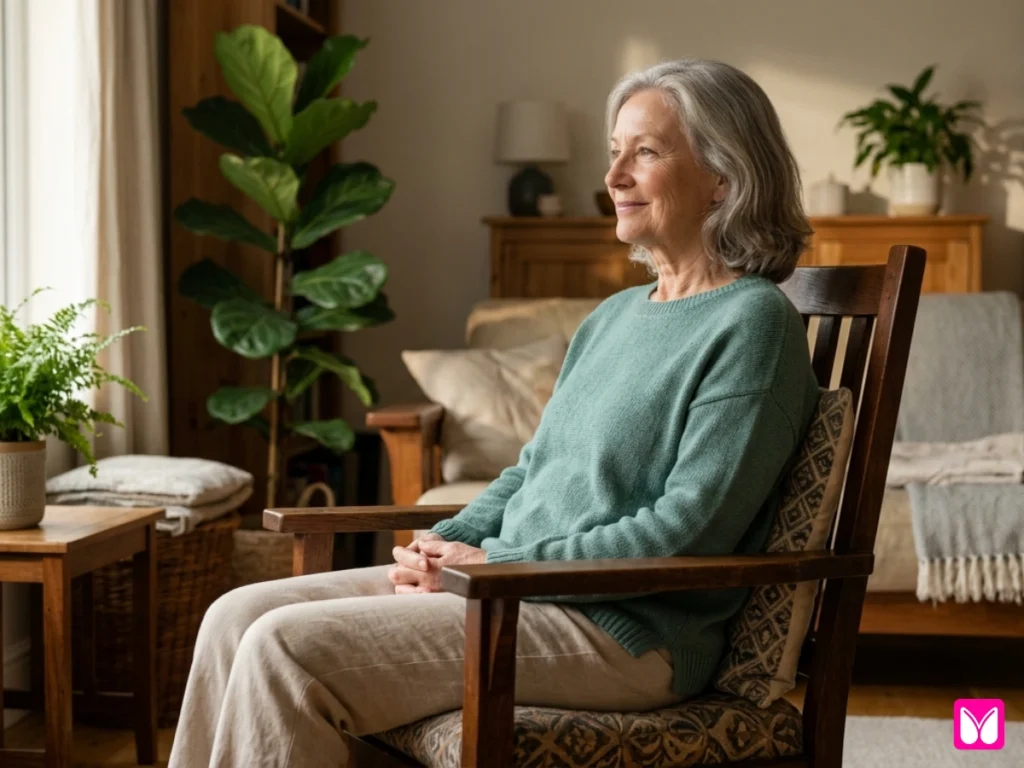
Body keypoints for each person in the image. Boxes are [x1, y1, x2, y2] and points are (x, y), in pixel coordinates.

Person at [168, 58, 819, 768]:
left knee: (283, 649)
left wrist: (495, 563)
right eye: (614, 153)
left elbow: (688, 528)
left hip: (622, 632)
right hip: (513, 594)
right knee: (235, 617)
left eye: (647, 152)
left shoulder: (752, 323)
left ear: (723, 177)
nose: (615, 178)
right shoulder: (615, 316)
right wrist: (440, 545)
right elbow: (534, 470)